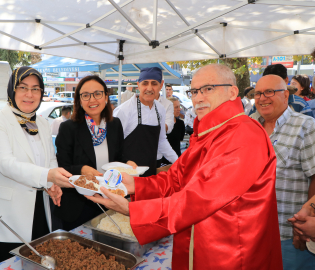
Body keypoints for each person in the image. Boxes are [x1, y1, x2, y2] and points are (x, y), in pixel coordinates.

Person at [89, 64, 283, 270]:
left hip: (230, 254)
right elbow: (175, 178)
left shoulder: (244, 134)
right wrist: (135, 185)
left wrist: (133, 210)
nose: (198, 98)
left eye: (208, 89)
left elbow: (199, 199)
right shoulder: (209, 131)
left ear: (233, 92)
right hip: (196, 245)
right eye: (194, 91)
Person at [0, 67, 72, 269]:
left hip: (38, 211)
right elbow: (5, 164)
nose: (29, 94)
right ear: (12, 90)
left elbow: (50, 158)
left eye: (36, 89)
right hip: (3, 217)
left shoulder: (42, 123)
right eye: (23, 87)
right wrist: (48, 175)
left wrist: (52, 183)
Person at [250, 74, 315, 269]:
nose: (262, 98)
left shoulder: (306, 126)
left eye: (269, 92)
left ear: (286, 95)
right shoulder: (251, 126)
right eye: (258, 93)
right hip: (253, 234)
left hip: (290, 238)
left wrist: (308, 227)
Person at [55, 75, 136, 231]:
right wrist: (81, 170)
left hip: (109, 199)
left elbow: (118, 157)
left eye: (97, 93)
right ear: (79, 100)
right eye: (85, 95)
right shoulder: (68, 128)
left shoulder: (114, 124)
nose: (92, 100)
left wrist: (128, 163)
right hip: (78, 204)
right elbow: (61, 166)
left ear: (106, 96)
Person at [114, 67, 178, 176]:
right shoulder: (124, 110)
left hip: (150, 171)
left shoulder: (160, 110)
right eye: (145, 83)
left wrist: (178, 162)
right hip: (127, 174)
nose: (149, 88)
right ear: (138, 85)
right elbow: (113, 145)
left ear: (161, 85)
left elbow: (161, 141)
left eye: (154, 83)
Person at [248, 64, 313, 117]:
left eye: (271, 91)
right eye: (258, 93)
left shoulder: (300, 105)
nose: (263, 98)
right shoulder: (258, 105)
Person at [157, 97, 185, 167]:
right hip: (163, 162)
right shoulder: (161, 124)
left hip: (177, 159)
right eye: (176, 107)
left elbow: (180, 139)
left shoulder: (180, 123)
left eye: (179, 106)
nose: (179, 109)